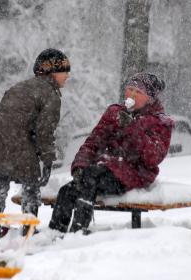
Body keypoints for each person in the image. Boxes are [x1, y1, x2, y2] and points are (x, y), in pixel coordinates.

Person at [49, 72, 174, 234]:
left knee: (90, 179)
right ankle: (55, 234)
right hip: (103, 169)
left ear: (149, 98)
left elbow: (153, 157)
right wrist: (80, 165)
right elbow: (93, 142)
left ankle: (78, 231)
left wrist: (132, 128)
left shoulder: (160, 122)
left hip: (135, 174)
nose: (132, 94)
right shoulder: (114, 112)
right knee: (66, 191)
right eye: (130, 89)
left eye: (139, 92)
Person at [0, 48, 70, 243]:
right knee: (32, 184)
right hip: (19, 142)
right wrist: (47, 160)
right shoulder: (50, 94)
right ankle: (29, 227)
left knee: (0, 182)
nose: (68, 75)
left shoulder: (20, 86)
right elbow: (44, 130)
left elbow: (7, 118)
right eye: (64, 71)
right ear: (52, 72)